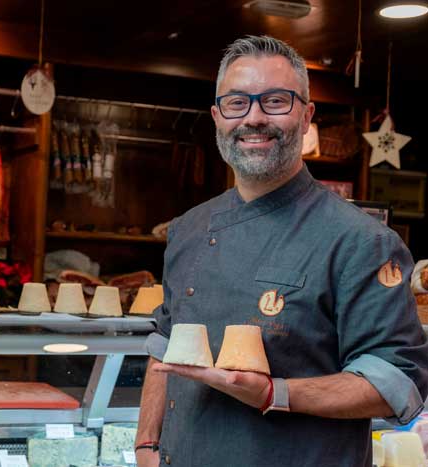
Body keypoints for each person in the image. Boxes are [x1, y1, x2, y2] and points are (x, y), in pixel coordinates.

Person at [135, 35, 428, 467]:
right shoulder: (189, 229)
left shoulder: (362, 241)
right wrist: (146, 446)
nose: (254, 118)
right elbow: (164, 348)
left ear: (307, 116)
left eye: (275, 101)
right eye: (237, 103)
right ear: (218, 117)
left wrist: (278, 393)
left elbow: (398, 382)